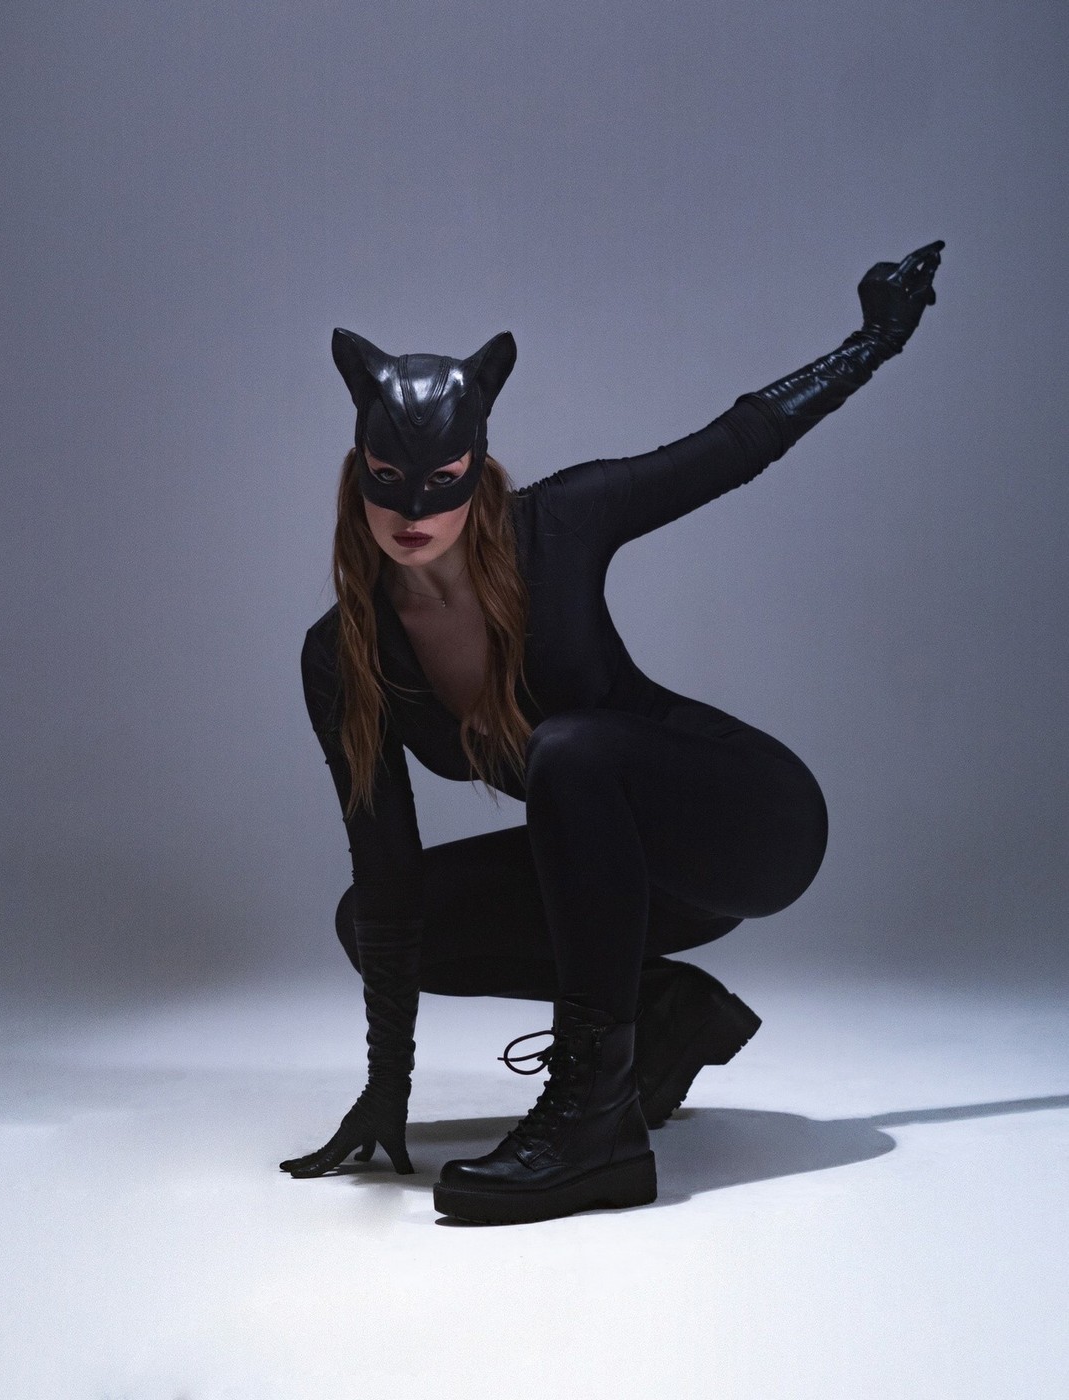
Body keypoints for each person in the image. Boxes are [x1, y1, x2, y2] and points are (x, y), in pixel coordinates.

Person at [279, 240, 945, 1225]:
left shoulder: (559, 524)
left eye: (441, 478)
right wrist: (388, 1089)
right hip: (618, 888)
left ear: (475, 467)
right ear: (358, 473)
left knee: (569, 747)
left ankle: (594, 1127)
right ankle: (663, 1016)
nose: (413, 509)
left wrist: (872, 342)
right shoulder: (342, 655)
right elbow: (386, 867)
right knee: (371, 920)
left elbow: (733, 444)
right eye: (388, 478)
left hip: (742, 822)